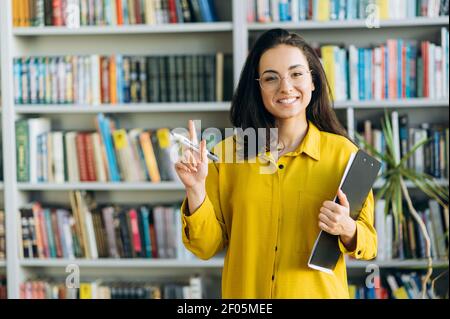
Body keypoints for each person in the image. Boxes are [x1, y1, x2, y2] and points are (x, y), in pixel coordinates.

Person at [174, 28, 377, 299]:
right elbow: (205, 247)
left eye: (296, 74)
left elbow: (369, 244)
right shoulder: (228, 154)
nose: (285, 87)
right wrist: (196, 189)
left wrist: (348, 229)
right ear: (258, 87)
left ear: (313, 80)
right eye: (271, 78)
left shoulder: (344, 154)